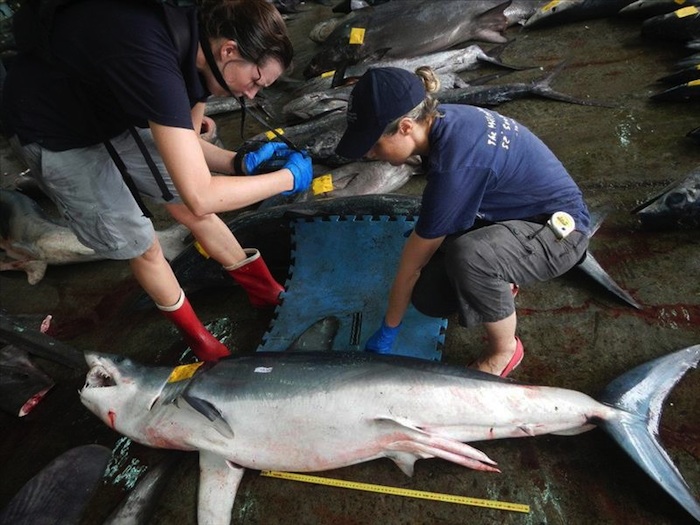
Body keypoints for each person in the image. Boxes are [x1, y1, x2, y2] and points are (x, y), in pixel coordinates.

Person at [0, 0, 313, 362]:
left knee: (184, 206)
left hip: (107, 106)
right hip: (53, 127)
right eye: (256, 81)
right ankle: (200, 340)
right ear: (229, 49)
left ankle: (264, 290)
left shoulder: (201, 50)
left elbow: (189, 151)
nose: (252, 94)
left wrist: (240, 162)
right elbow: (200, 194)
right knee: (142, 243)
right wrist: (285, 179)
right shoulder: (150, 57)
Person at [335, 66, 590, 377]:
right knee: (431, 297)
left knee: (470, 258)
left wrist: (389, 329)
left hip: (558, 232)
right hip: (515, 214)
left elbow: (409, 267)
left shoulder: (456, 165)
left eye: (374, 145)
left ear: (405, 127)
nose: (371, 154)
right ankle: (503, 277)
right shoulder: (446, 119)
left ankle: (505, 350)